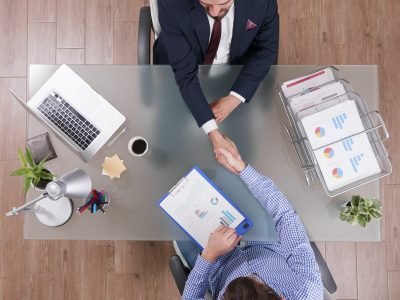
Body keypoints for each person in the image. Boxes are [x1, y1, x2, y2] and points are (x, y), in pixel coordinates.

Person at [175, 146, 324, 299]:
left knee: (175, 194)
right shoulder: (307, 291)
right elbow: (286, 217)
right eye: (256, 276)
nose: (250, 272)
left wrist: (209, 254)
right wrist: (242, 168)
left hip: (216, 264)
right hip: (262, 240)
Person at [154, 0, 279, 169]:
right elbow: (185, 74)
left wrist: (235, 98)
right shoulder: (172, 3)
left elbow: (266, 51)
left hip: (236, 75)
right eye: (205, 4)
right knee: (168, 152)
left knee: (248, 153)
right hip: (181, 67)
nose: (213, 12)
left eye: (223, 4)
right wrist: (212, 131)